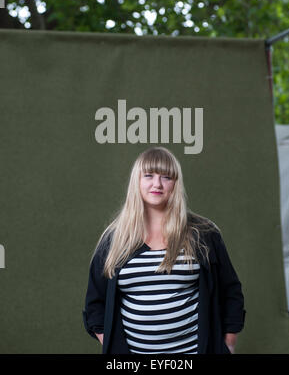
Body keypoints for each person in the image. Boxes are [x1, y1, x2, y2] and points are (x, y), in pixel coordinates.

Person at [82, 146, 246, 354]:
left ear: (175, 184)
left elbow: (231, 291)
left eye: (166, 177)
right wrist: (113, 345)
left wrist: (228, 345)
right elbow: (95, 305)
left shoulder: (203, 233)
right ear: (137, 182)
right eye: (148, 175)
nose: (157, 184)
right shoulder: (114, 239)